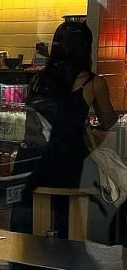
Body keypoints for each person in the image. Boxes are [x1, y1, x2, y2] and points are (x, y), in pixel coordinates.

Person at [11, 19, 117, 234]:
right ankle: (67, 248)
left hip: (30, 164)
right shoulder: (93, 83)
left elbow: (33, 121)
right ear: (85, 49)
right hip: (67, 167)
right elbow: (109, 123)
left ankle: (29, 248)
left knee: (27, 224)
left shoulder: (37, 79)